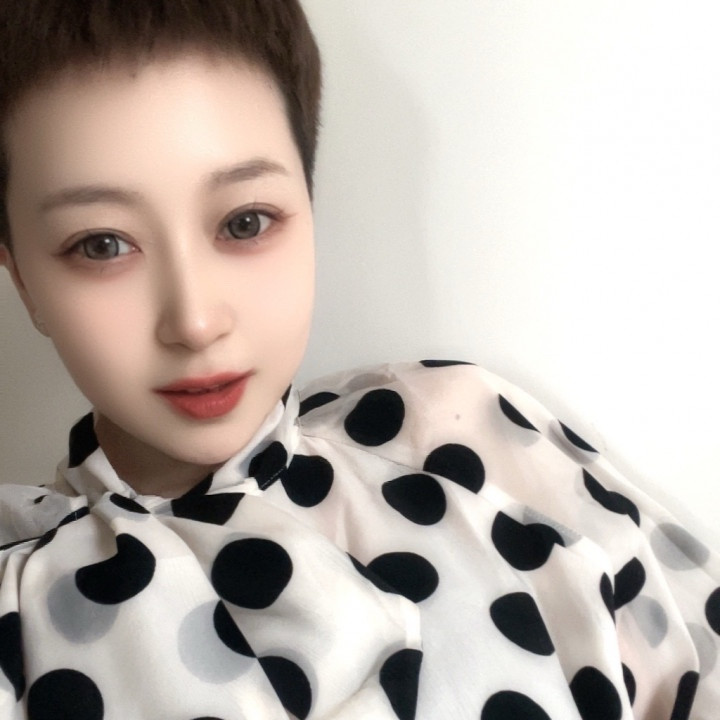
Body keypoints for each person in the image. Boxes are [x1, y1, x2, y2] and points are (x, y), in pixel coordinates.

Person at [0, 2, 717, 719]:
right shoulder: (15, 606)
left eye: (245, 222)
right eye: (101, 245)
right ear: (24, 280)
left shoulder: (455, 441)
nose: (195, 321)